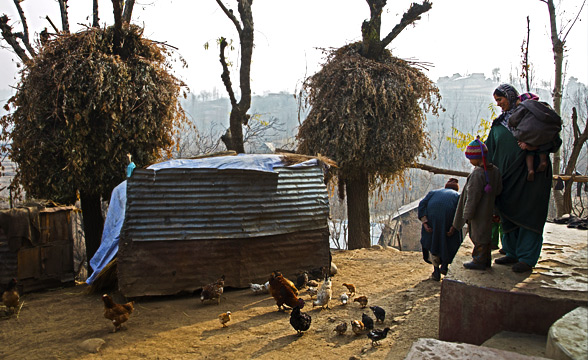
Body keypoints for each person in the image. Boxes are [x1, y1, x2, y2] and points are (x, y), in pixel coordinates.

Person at [486, 84, 562, 273]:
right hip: (507, 179)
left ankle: (527, 257)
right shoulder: (498, 124)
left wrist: (534, 148)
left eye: (500, 100)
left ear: (511, 97)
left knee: (529, 214)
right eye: (496, 101)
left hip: (532, 177)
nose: (498, 104)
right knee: (507, 213)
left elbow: (554, 141)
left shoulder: (533, 118)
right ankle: (511, 252)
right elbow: (490, 151)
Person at [448, 137, 502, 270]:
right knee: (485, 234)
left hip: (478, 212)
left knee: (478, 236)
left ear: (477, 158)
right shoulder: (494, 170)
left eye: (470, 158)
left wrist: (467, 215)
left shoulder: (478, 174)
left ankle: (479, 260)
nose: (470, 161)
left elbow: (472, 197)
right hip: (489, 209)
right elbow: (499, 189)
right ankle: (485, 259)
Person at [507, 92, 562, 181]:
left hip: (528, 133)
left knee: (529, 150)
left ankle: (530, 169)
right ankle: (543, 161)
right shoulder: (544, 106)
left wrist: (511, 123)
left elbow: (513, 119)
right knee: (543, 146)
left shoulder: (525, 105)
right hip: (546, 135)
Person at [418, 178, 463, 281]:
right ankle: (445, 266)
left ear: (445, 186)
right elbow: (460, 212)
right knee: (449, 242)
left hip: (432, 221)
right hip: (449, 220)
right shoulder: (457, 196)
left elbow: (422, 205)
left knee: (433, 242)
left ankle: (436, 270)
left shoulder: (433, 193)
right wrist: (454, 227)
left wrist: (425, 222)